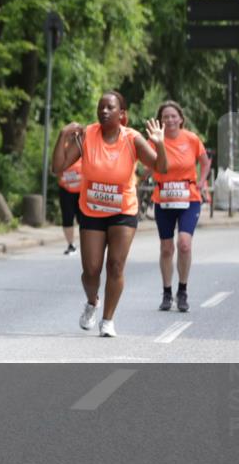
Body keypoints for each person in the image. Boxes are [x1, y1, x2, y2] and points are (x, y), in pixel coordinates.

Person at [51, 91, 167, 338]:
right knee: (91, 270)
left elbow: (161, 167)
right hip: (92, 211)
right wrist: (62, 136)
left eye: (110, 107)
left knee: (115, 265)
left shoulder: (133, 139)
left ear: (122, 114)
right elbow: (57, 168)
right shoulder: (87, 136)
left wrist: (159, 143)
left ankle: (108, 320)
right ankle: (92, 302)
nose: (103, 111)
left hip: (123, 210)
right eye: (100, 107)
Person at [151, 101, 210, 313]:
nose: (169, 120)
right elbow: (149, 164)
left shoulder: (191, 139)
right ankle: (167, 293)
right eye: (165, 117)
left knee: (184, 244)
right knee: (167, 248)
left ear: (181, 119)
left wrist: (202, 181)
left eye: (173, 116)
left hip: (189, 198)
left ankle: (182, 291)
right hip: (164, 198)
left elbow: (205, 161)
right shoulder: (155, 141)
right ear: (160, 121)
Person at [55, 157, 83, 255]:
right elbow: (55, 168)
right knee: (67, 217)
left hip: (82, 190)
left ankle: (88, 243)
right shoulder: (62, 148)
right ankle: (71, 244)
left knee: (84, 219)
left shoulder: (84, 146)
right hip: (66, 190)